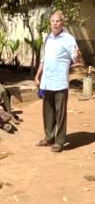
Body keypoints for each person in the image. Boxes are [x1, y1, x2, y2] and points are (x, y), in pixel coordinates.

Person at [35, 11, 82, 152]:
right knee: (48, 112)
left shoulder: (68, 39)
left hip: (60, 82)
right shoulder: (47, 38)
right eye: (53, 21)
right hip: (46, 82)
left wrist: (77, 57)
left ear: (62, 23)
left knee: (60, 113)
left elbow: (76, 59)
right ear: (50, 24)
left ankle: (60, 141)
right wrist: (37, 76)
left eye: (58, 21)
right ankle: (49, 137)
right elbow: (44, 59)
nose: (55, 23)